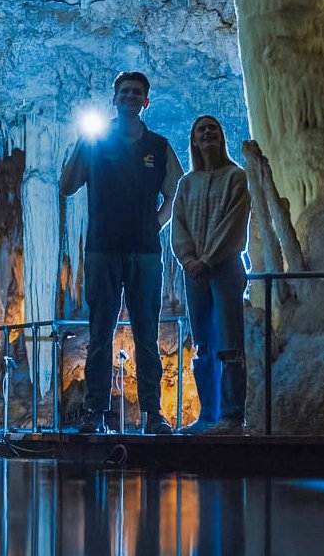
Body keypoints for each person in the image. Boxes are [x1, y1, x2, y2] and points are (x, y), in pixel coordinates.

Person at [60, 70, 182, 435]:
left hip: (144, 251)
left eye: (137, 94)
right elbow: (67, 186)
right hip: (102, 249)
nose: (129, 97)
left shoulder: (158, 147)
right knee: (100, 333)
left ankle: (153, 413)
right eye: (124, 92)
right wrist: (83, 142)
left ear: (146, 102)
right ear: (115, 99)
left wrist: (154, 224)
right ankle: (95, 412)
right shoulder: (95, 143)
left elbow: (175, 191)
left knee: (146, 334)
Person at [173, 115, 252, 435]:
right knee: (204, 345)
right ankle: (208, 415)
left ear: (221, 137)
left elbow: (235, 223)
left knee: (230, 344)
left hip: (225, 269)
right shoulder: (186, 184)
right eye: (201, 130)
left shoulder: (236, 177)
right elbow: (178, 225)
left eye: (213, 129)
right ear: (194, 140)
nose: (207, 133)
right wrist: (189, 258)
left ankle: (232, 416)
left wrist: (207, 259)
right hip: (194, 273)